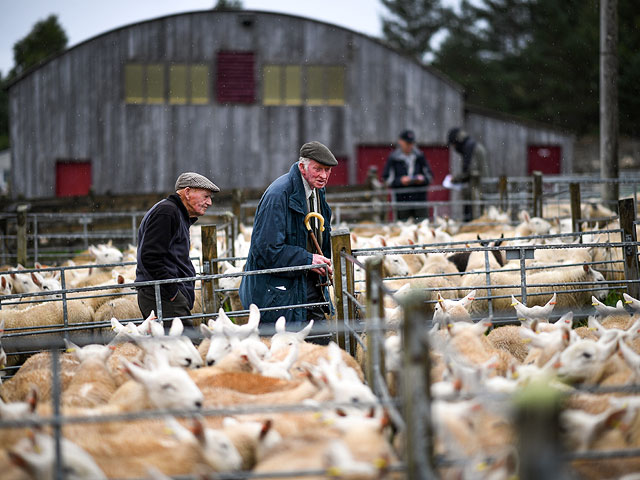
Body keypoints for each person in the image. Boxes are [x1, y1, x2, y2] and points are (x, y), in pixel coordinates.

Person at [239, 141, 336, 326]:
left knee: (319, 346)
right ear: (302, 167)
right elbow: (266, 250)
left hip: (306, 283)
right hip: (278, 293)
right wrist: (307, 260)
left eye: (328, 170)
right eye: (318, 169)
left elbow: (321, 232)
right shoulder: (278, 196)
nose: (324, 175)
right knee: (285, 351)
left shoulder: (317, 191)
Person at [136, 172, 219, 327]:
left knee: (175, 346)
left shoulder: (175, 213)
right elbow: (150, 256)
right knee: (183, 345)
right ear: (187, 192)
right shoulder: (167, 212)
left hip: (165, 294)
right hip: (163, 295)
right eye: (205, 196)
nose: (209, 202)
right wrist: (173, 291)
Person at [382, 129, 434, 221]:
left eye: (411, 143)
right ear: (400, 142)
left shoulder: (420, 156)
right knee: (403, 228)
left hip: (419, 200)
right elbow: (386, 179)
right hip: (402, 200)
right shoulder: (394, 158)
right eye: (407, 143)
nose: (410, 146)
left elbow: (430, 176)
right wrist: (400, 181)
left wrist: (422, 179)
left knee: (422, 227)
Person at [447, 128, 489, 221]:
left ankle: (475, 226)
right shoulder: (472, 145)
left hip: (476, 187)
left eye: (453, 144)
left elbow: (470, 171)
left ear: (456, 141)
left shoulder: (470, 148)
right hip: (479, 186)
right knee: (478, 212)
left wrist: (456, 178)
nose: (454, 148)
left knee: (476, 214)